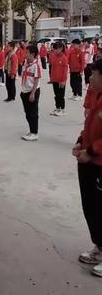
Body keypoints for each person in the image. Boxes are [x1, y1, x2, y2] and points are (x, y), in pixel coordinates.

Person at [72, 58, 102, 278]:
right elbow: (90, 124)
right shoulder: (97, 97)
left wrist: (90, 152)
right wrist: (81, 141)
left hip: (99, 163)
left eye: (94, 74)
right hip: (88, 161)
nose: (90, 78)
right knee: (91, 207)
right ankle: (100, 248)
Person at [20, 45, 42, 141]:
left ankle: (34, 132)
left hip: (32, 92)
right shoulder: (26, 63)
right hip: (25, 91)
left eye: (27, 53)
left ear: (33, 54)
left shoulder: (35, 66)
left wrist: (33, 93)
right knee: (27, 113)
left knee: (33, 113)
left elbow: (36, 80)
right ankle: (31, 130)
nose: (25, 55)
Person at [49, 41, 69, 117]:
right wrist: (52, 78)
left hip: (61, 80)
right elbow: (53, 68)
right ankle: (57, 108)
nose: (54, 51)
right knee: (56, 95)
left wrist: (63, 80)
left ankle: (63, 109)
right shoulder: (54, 56)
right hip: (55, 79)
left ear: (61, 49)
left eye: (56, 49)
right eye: (54, 49)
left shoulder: (64, 58)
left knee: (61, 95)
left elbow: (65, 71)